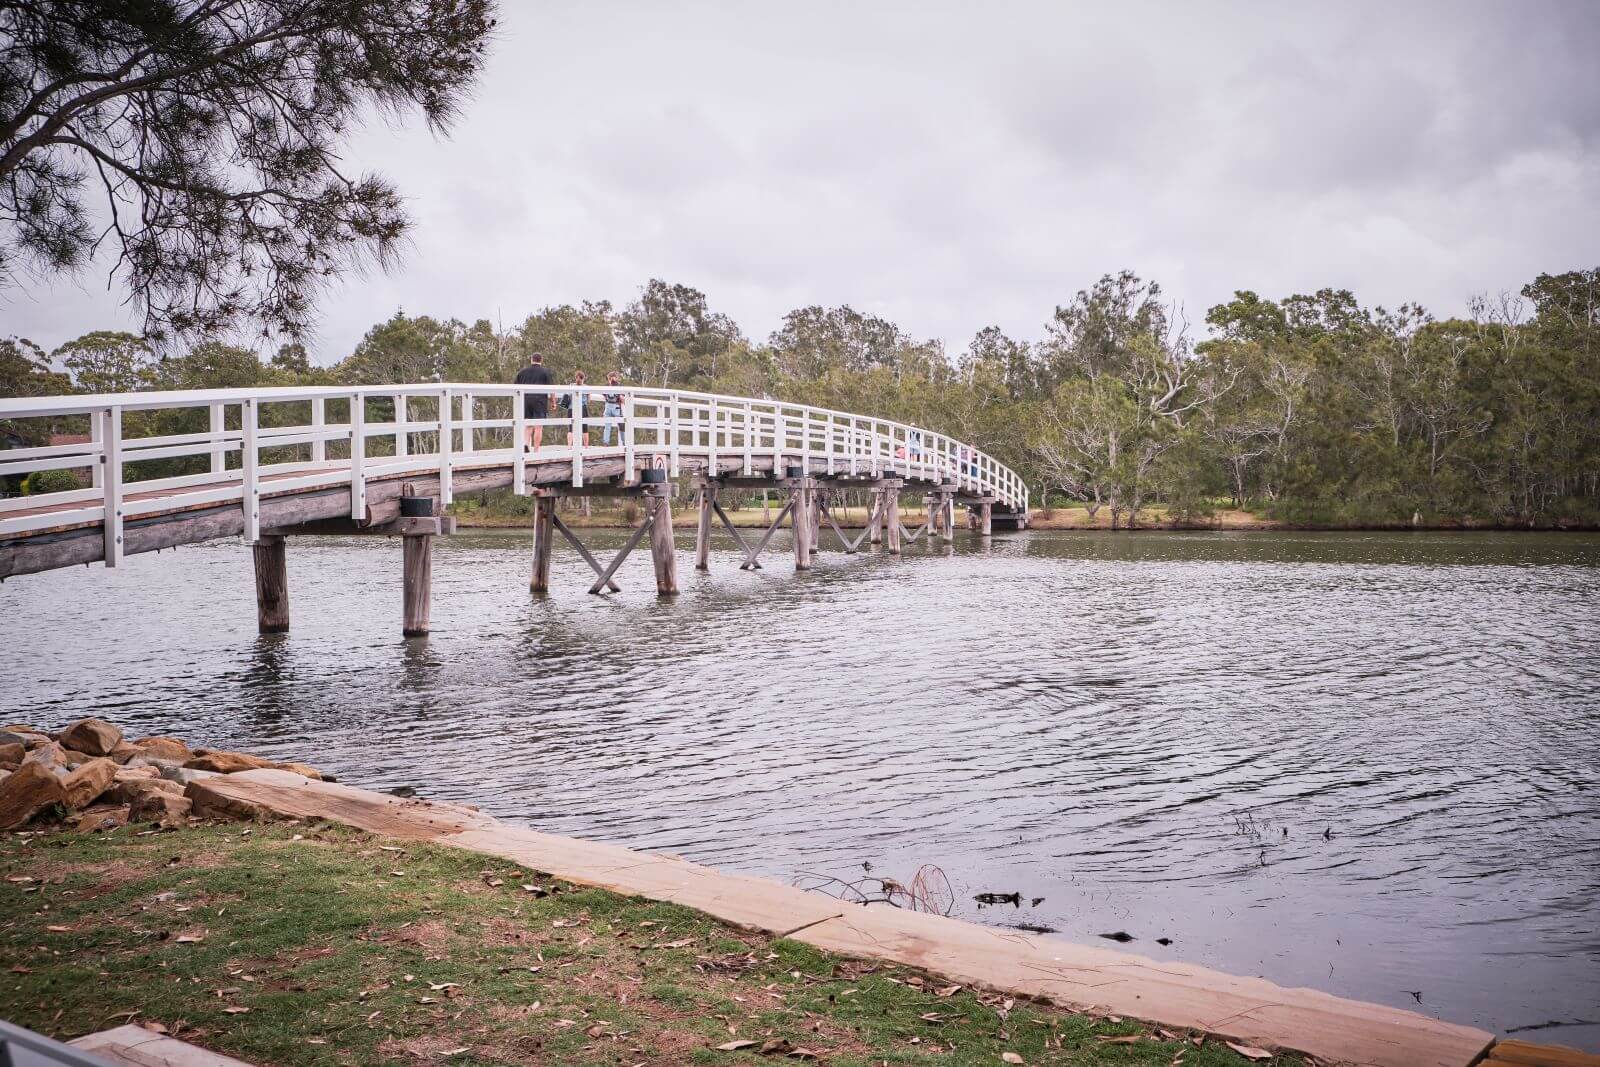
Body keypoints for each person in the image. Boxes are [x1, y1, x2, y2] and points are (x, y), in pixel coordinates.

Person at [514, 352, 553, 450]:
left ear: (531, 359)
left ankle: (526, 445)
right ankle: (536, 450)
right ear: (541, 360)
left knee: (528, 425)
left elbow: (515, 387)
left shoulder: (522, 372)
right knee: (538, 427)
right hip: (540, 401)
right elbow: (552, 388)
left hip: (526, 401)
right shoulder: (545, 372)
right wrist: (553, 402)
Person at [558, 370, 591, 447]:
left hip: (571, 408)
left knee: (571, 428)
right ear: (583, 378)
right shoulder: (586, 387)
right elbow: (589, 400)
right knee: (585, 428)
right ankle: (586, 446)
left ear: (575, 378)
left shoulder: (571, 386)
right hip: (582, 408)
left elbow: (566, 396)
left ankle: (569, 446)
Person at [600, 371, 625, 446]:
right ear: (614, 378)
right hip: (616, 407)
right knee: (621, 426)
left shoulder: (606, 386)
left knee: (607, 426)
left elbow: (604, 395)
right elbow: (622, 398)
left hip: (607, 406)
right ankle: (625, 442)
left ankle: (606, 443)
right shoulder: (619, 386)